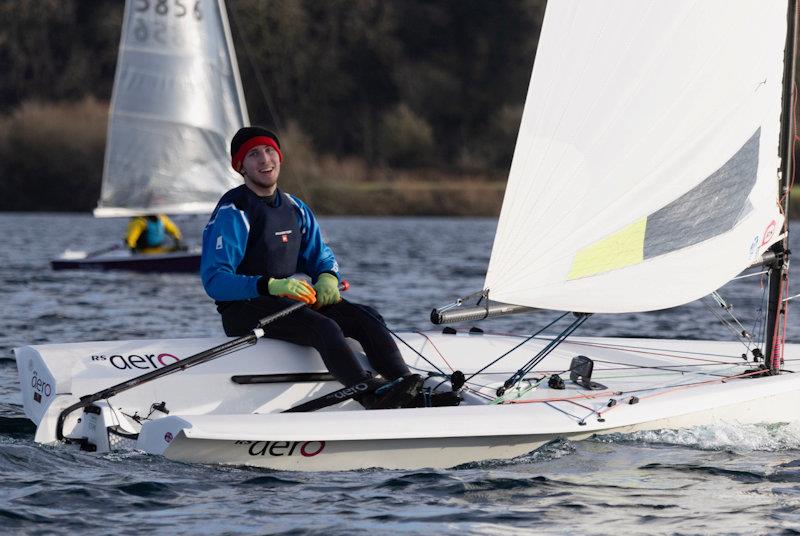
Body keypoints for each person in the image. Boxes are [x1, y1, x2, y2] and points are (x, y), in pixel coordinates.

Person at [200, 126, 424, 410]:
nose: (264, 160)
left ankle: (408, 386)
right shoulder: (234, 212)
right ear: (240, 166)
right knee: (326, 327)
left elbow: (320, 256)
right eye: (253, 154)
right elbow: (215, 281)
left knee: (368, 317)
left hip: (284, 301)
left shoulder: (295, 208)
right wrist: (269, 285)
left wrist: (328, 277)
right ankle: (369, 395)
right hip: (243, 309)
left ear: (279, 157)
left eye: (269, 151)